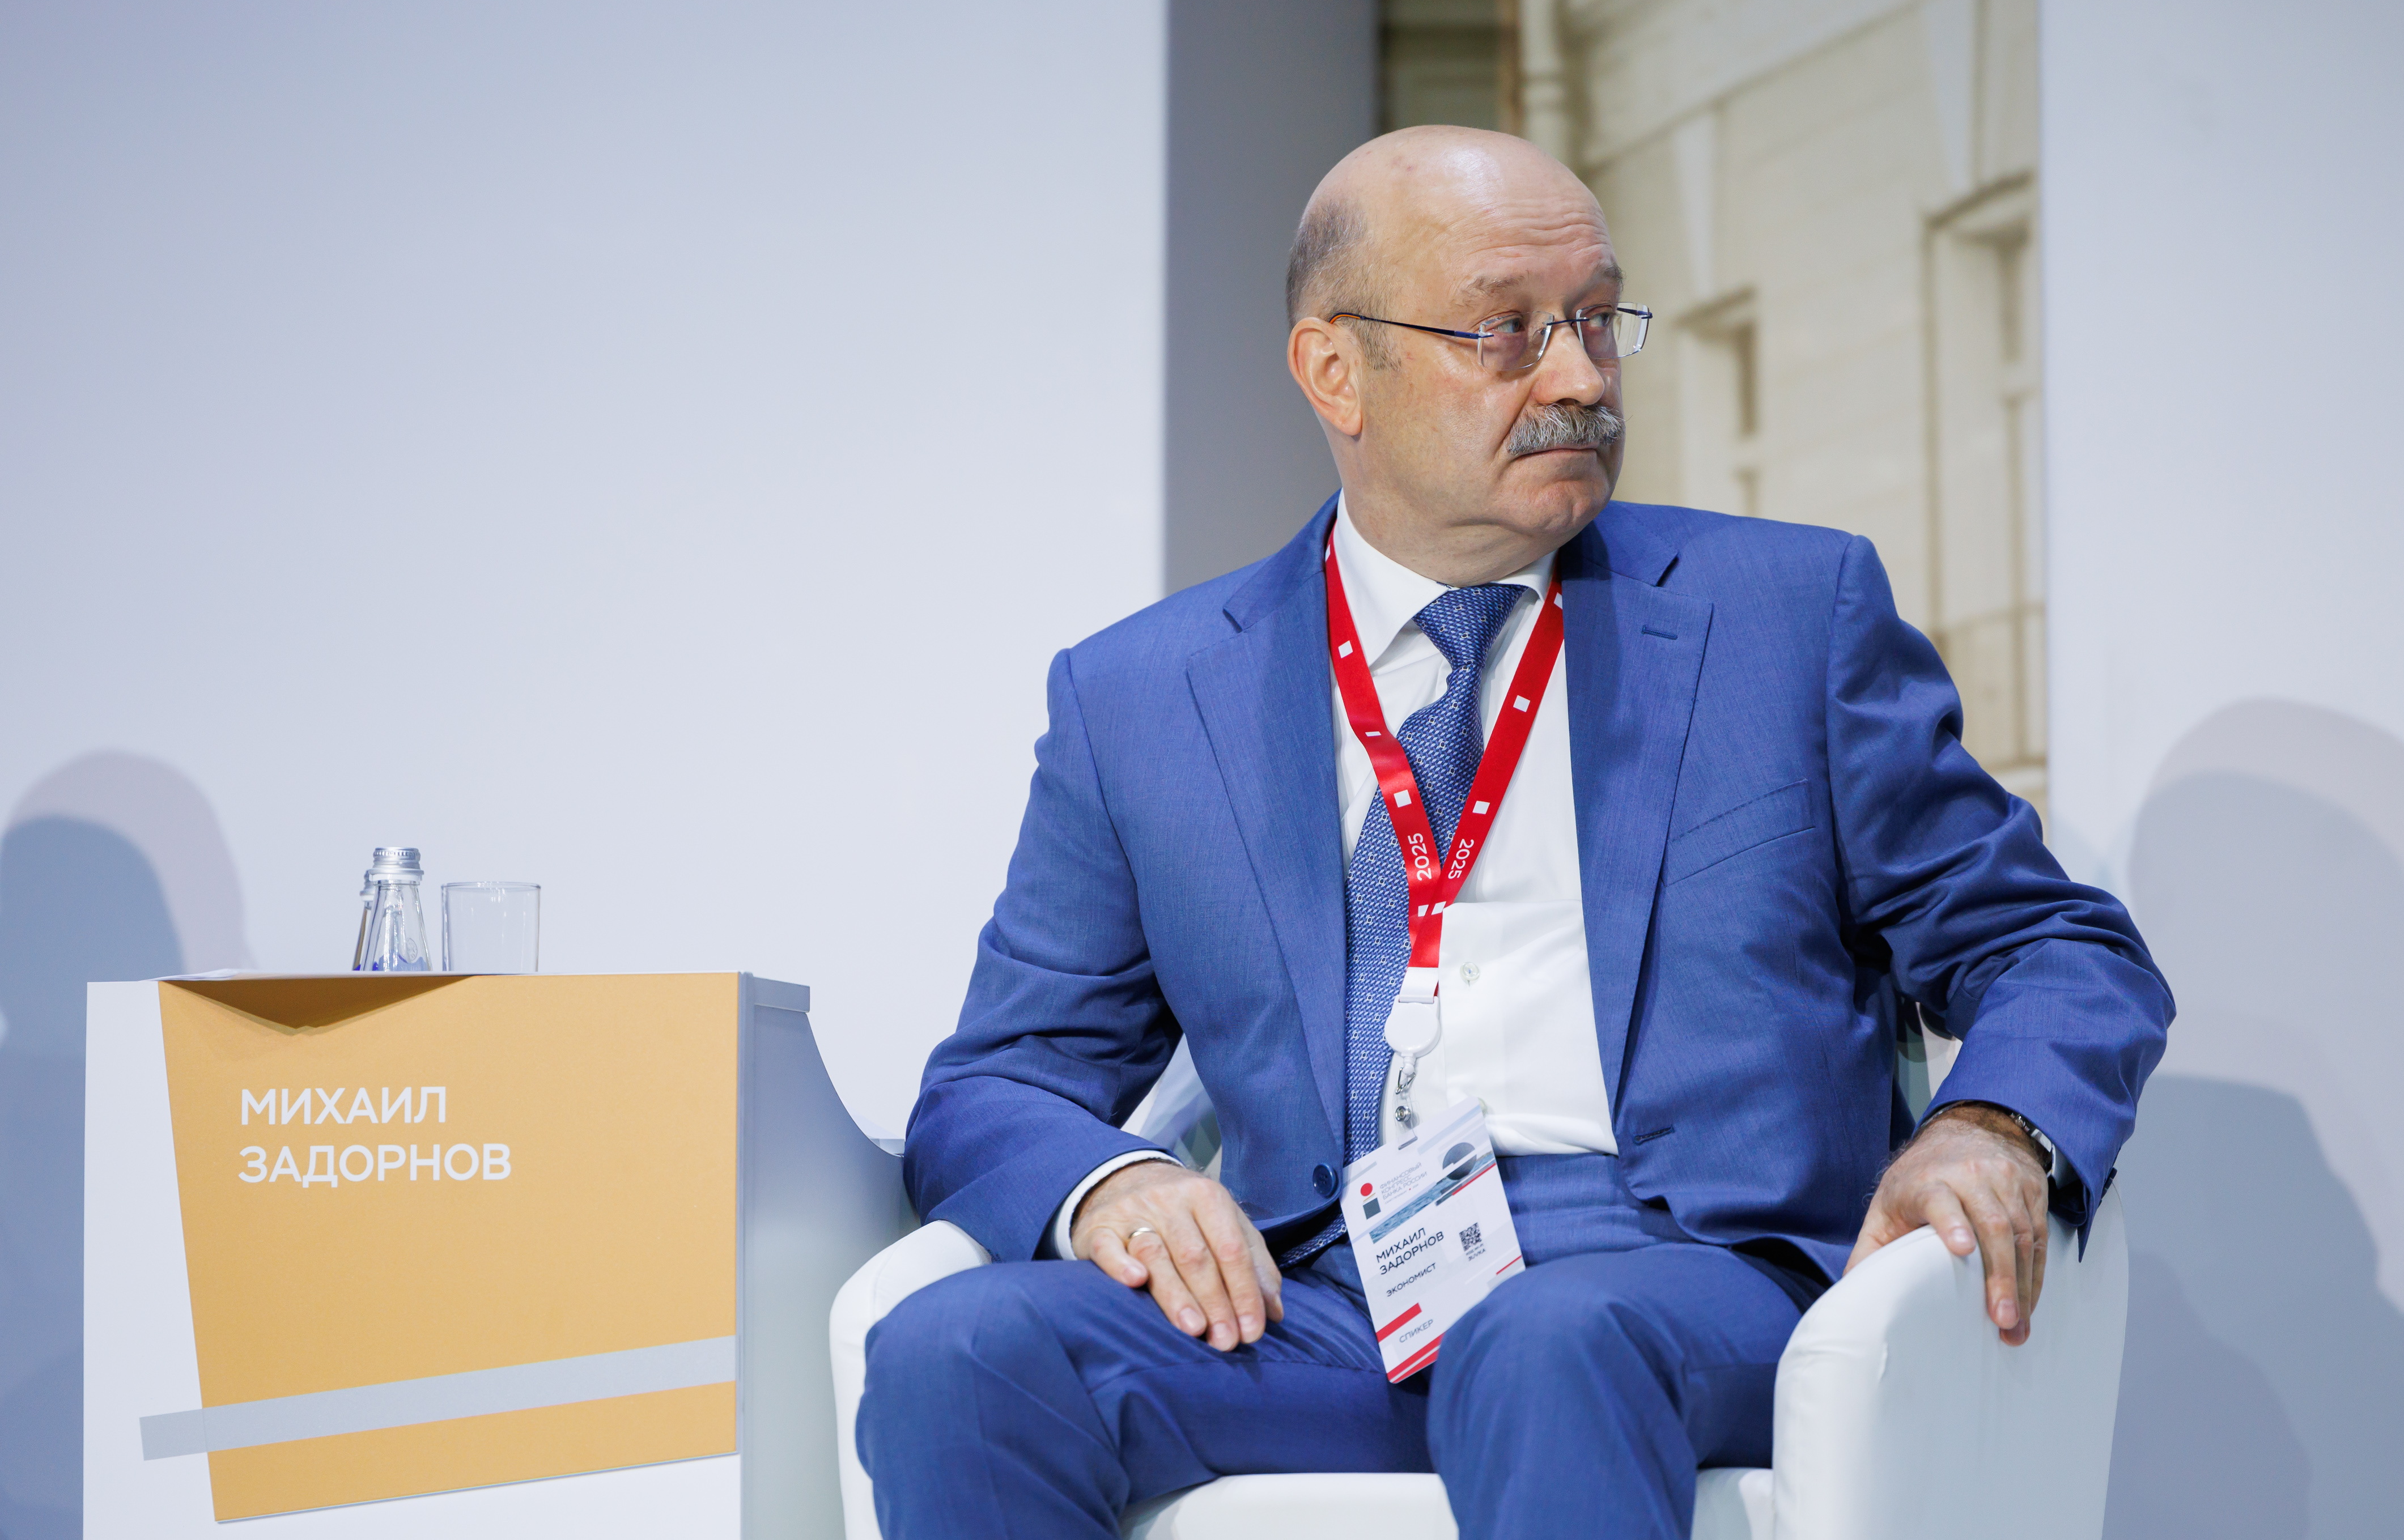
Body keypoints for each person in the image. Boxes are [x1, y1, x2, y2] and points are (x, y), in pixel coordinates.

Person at [856, 127, 2172, 1540]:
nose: (1582, 379)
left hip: (1690, 1282)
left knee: (1541, 1343)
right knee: (959, 1351)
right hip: (1330, 1300)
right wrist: (1107, 1180)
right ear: (1335, 371)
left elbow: (2056, 946)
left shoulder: (1786, 618)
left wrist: (1988, 1123)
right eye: (1508, 332)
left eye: (1598, 320)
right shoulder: (1145, 697)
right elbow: (997, 1079)